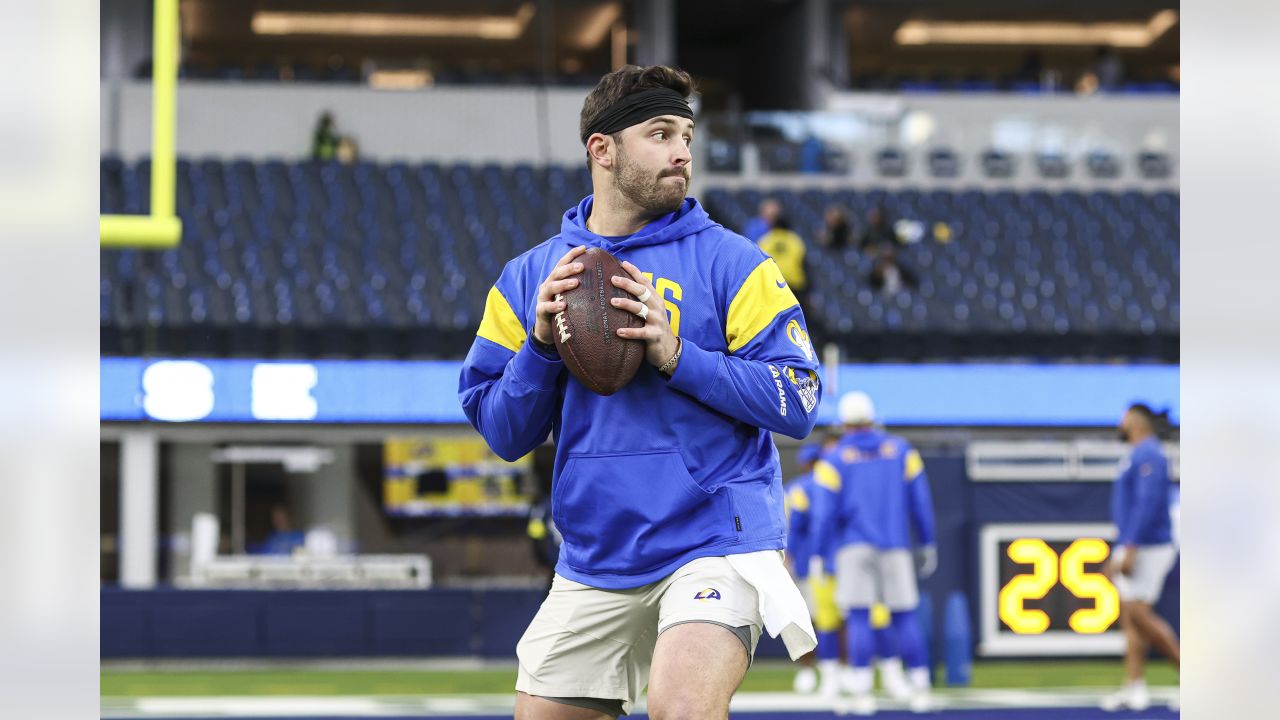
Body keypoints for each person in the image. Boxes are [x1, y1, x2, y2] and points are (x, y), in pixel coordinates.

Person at [458, 64, 823, 720]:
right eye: (660, 133)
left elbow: (797, 401)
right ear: (603, 149)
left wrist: (676, 355)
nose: (683, 150)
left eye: (687, 133)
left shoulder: (735, 263)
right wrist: (541, 349)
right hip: (595, 552)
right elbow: (502, 433)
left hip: (717, 539)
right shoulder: (530, 277)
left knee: (681, 709)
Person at [811, 391, 937, 715]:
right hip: (895, 545)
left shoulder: (834, 458)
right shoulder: (901, 451)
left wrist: (818, 553)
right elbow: (920, 502)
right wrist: (927, 540)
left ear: (844, 423)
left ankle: (863, 693)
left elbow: (824, 514)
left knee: (858, 618)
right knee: (904, 617)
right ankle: (921, 690)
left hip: (853, 548)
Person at [1101, 403, 1180, 712]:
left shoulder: (1149, 455)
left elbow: (1147, 504)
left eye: (1123, 418)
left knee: (1139, 615)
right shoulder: (1138, 454)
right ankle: (1135, 687)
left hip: (1149, 545)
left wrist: (1130, 546)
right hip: (1137, 542)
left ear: (1135, 421)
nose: (1119, 424)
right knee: (1131, 618)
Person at [785, 436, 842, 696]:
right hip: (834, 561)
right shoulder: (835, 482)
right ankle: (842, 669)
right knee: (837, 620)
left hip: (810, 564)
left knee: (809, 620)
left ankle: (811, 672)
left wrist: (790, 558)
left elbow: (794, 528)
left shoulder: (799, 488)